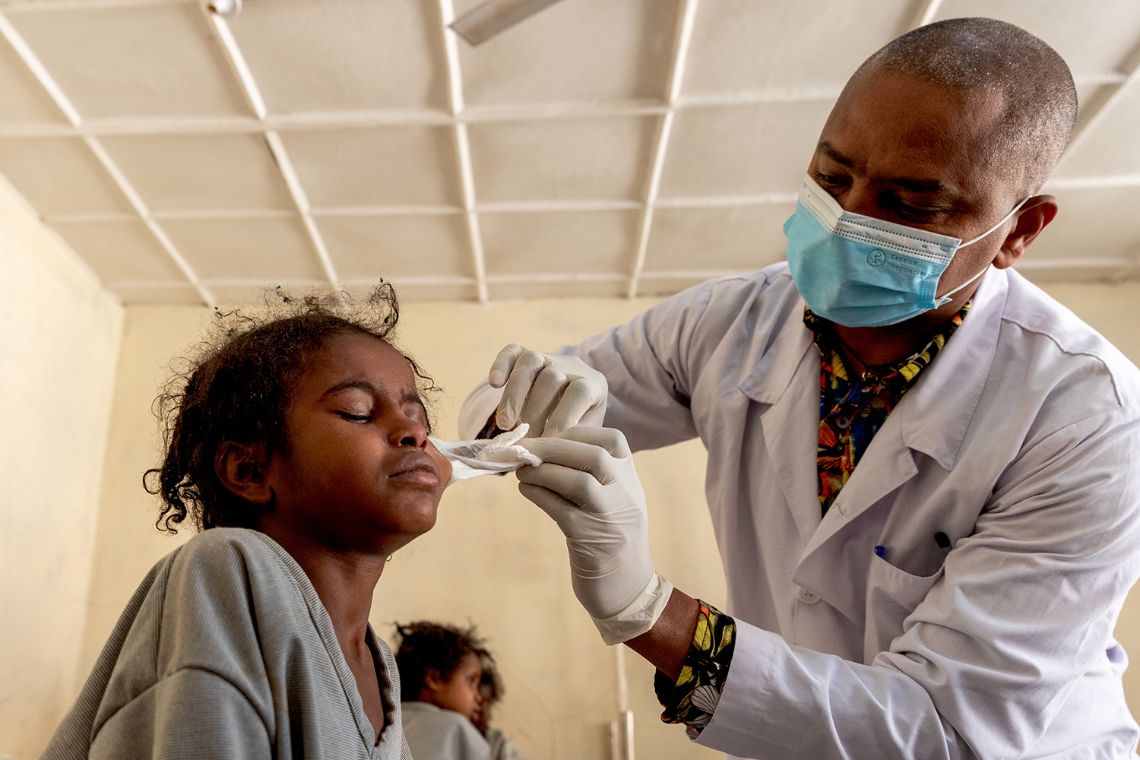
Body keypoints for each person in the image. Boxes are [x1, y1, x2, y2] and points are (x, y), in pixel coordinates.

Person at [461, 17, 1140, 759]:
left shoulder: (1088, 420)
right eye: (832, 177)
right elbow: (532, 405)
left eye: (910, 206)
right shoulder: (729, 322)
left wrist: (648, 611)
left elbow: (947, 732)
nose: (849, 221)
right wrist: (509, 412)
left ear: (1019, 232)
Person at [42, 284, 450, 759]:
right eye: (357, 412)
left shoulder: (379, 665)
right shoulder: (227, 568)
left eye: (416, 414)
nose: (414, 432)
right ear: (250, 471)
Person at [394, 621, 492, 760]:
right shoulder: (458, 729)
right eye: (471, 681)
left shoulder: (385, 719)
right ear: (434, 678)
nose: (478, 697)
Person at [473, 650, 524, 760]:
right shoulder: (450, 735)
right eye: (475, 701)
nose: (480, 708)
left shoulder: (498, 742)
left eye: (486, 703)